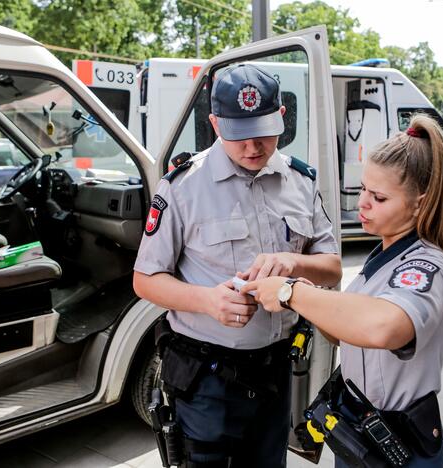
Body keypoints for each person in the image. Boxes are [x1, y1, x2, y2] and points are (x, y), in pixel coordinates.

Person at [133, 63, 342, 467]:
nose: (252, 147)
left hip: (275, 371)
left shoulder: (301, 181)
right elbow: (145, 279)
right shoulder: (183, 187)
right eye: (238, 135)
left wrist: (291, 260)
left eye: (263, 132)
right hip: (206, 378)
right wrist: (208, 301)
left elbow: (332, 266)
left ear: (282, 117)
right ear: (214, 123)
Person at [243, 114, 443, 467]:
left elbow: (384, 328)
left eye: (379, 197)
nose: (363, 203)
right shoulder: (386, 252)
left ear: (420, 203)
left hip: (399, 444)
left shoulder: (428, 266)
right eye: (364, 188)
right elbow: (348, 335)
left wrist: (292, 293)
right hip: (361, 436)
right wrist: (307, 295)